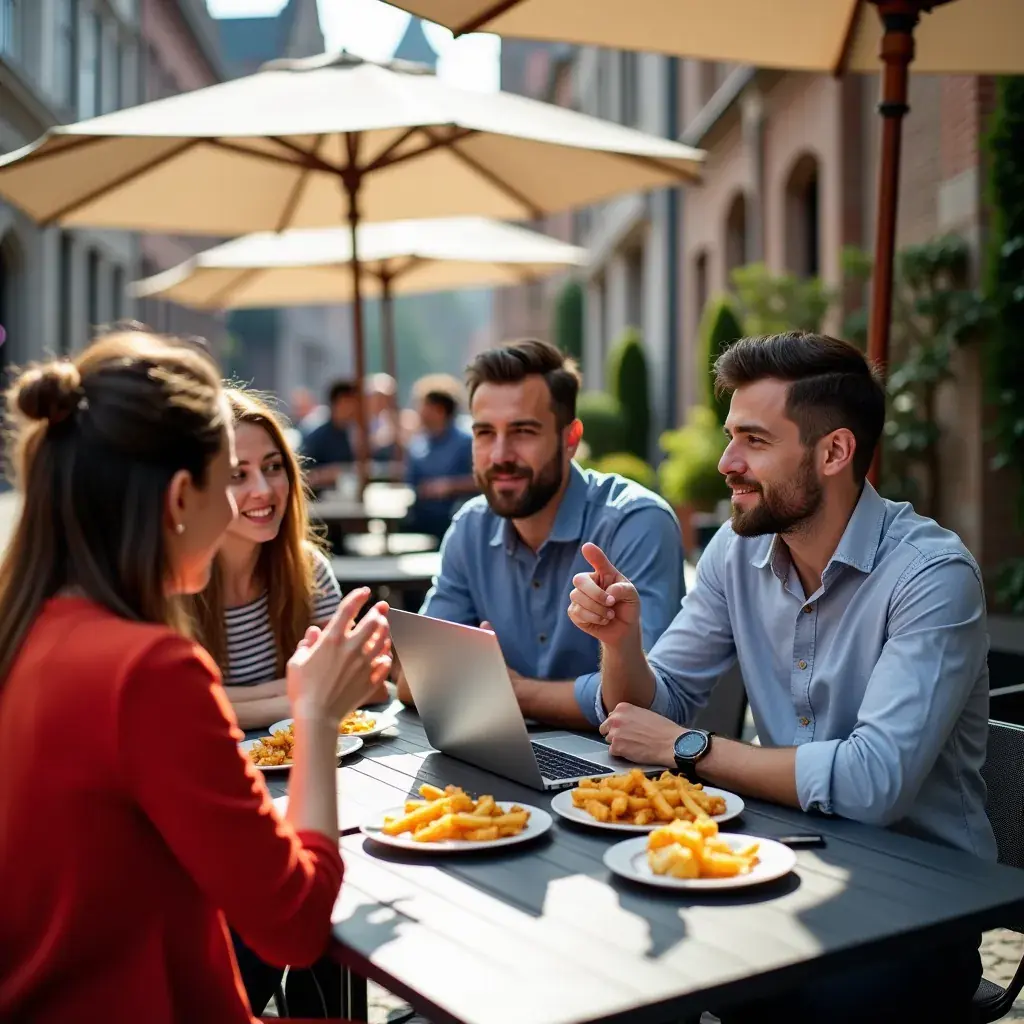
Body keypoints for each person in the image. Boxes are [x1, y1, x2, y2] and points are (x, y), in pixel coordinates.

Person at [567, 331, 993, 1023]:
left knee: (789, 1002)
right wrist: (621, 644)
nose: (728, 463)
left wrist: (691, 749)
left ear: (834, 452)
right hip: (778, 869)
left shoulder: (932, 577)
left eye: (754, 441)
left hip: (922, 909)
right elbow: (649, 709)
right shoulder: (738, 549)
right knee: (620, 959)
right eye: (731, 436)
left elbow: (872, 783)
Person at [0, 330, 391, 1023]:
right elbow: (296, 926)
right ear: (183, 497)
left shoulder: (25, 631)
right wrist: (316, 717)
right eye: (228, 481)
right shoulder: (150, 671)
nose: (249, 498)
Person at [395, 338, 684, 728]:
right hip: (498, 758)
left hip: (621, 774)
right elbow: (416, 682)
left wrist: (512, 692)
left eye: (523, 431)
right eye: (484, 433)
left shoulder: (635, 523)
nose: (499, 455)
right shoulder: (470, 528)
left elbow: (644, 701)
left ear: (570, 439)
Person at [190, 386, 388, 731]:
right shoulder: (170, 581)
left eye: (273, 467)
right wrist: (301, 696)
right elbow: (172, 709)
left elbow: (370, 685)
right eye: (238, 475)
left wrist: (226, 698)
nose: (264, 490)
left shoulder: (307, 567)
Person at [403, 379, 476, 541]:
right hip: (420, 517)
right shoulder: (418, 443)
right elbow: (410, 482)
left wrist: (449, 486)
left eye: (424, 406)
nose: (419, 412)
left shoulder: (466, 442)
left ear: (440, 410)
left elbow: (482, 479)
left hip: (454, 518)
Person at [300, 378, 360, 492]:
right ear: (337, 404)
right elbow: (302, 476)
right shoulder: (317, 438)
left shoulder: (354, 434)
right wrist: (328, 474)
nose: (353, 408)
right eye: (349, 403)